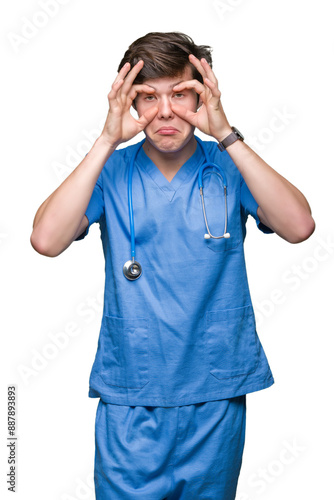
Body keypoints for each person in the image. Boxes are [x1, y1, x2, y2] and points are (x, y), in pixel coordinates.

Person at [30, 32, 315, 500]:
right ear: (130, 104)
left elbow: (299, 225)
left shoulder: (228, 165)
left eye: (181, 94)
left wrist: (227, 134)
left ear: (204, 96)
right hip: (131, 397)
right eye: (148, 97)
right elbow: (46, 240)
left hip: (215, 393)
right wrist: (105, 139)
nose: (165, 112)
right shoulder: (111, 171)